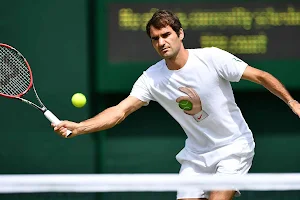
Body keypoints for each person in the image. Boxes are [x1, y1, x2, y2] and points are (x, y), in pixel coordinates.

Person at [53, 9, 300, 200]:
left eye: (166, 35)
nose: (161, 42)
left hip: (233, 147)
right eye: (155, 38)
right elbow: (120, 110)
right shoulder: (151, 78)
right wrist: (80, 127)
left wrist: (292, 102)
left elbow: (260, 76)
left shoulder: (212, 58)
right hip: (196, 155)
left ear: (180, 34)